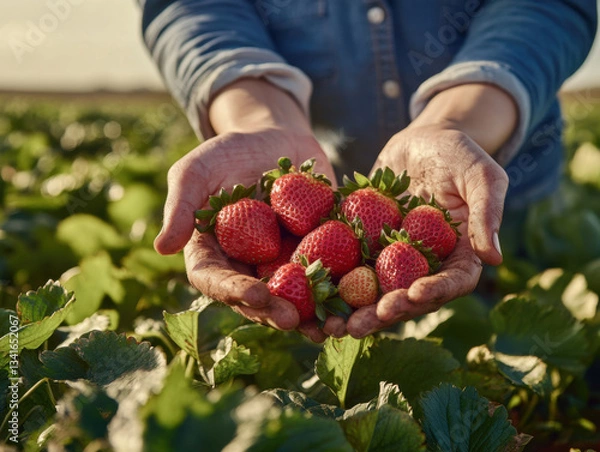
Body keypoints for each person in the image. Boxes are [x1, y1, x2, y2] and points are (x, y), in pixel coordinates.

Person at [139, 0, 598, 342]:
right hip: (335, 197)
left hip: (495, 194)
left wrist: (454, 124)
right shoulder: (303, 229)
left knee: (516, 334)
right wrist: (258, 121)